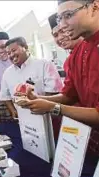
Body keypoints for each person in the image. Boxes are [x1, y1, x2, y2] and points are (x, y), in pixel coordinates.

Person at [21, 0, 99, 156]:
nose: (62, 25)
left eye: (68, 15)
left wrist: (54, 108)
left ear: (94, 7)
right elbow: (70, 96)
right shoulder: (78, 52)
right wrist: (37, 98)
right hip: (89, 140)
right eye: (60, 18)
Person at [0, 37, 63, 120]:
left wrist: (45, 107)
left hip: (45, 116)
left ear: (25, 47)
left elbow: (54, 92)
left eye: (14, 50)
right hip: (22, 119)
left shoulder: (44, 64)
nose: (11, 55)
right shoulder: (7, 73)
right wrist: (13, 111)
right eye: (8, 53)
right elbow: (5, 96)